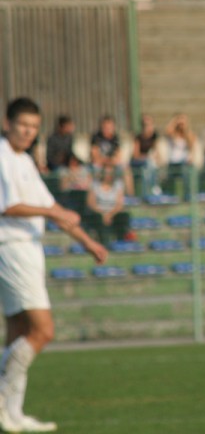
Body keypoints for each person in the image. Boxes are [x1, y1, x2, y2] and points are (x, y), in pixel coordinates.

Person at [0, 97, 108, 432]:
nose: (29, 132)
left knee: (18, 333)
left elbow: (52, 209)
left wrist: (89, 242)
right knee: (43, 331)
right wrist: (52, 213)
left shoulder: (25, 161)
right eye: (23, 126)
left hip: (28, 250)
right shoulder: (2, 155)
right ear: (8, 124)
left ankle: (12, 414)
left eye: (34, 127)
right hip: (12, 249)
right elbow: (9, 207)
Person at [83, 164, 132, 244]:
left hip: (113, 213)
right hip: (98, 213)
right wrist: (103, 214)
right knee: (98, 219)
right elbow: (91, 203)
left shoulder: (118, 185)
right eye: (106, 173)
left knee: (123, 216)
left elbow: (119, 204)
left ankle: (121, 242)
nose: (108, 175)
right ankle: (104, 242)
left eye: (110, 173)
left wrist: (109, 215)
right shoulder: (95, 185)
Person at [129, 114, 160, 197]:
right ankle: (148, 191)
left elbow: (156, 152)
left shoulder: (154, 137)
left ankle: (153, 189)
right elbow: (135, 155)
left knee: (151, 165)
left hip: (149, 163)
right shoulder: (138, 138)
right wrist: (147, 157)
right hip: (137, 162)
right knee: (148, 164)